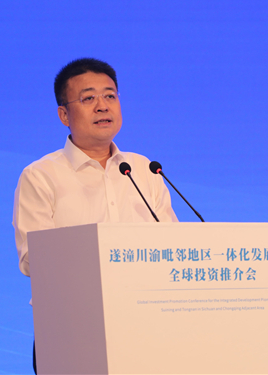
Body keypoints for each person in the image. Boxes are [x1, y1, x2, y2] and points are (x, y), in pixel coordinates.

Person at [12, 58, 178, 373]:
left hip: (146, 322)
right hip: (71, 327)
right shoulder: (41, 176)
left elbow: (172, 246)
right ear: (64, 115)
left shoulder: (144, 170)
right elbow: (33, 259)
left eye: (110, 96)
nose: (102, 106)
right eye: (88, 98)